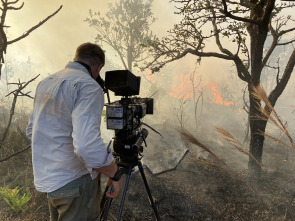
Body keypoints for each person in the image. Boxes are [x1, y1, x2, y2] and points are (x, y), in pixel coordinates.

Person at [26, 42, 123, 221]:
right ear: (99, 66)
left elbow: (32, 131)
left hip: (50, 181)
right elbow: (86, 147)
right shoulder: (88, 87)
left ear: (76, 57)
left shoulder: (46, 82)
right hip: (75, 182)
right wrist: (114, 172)